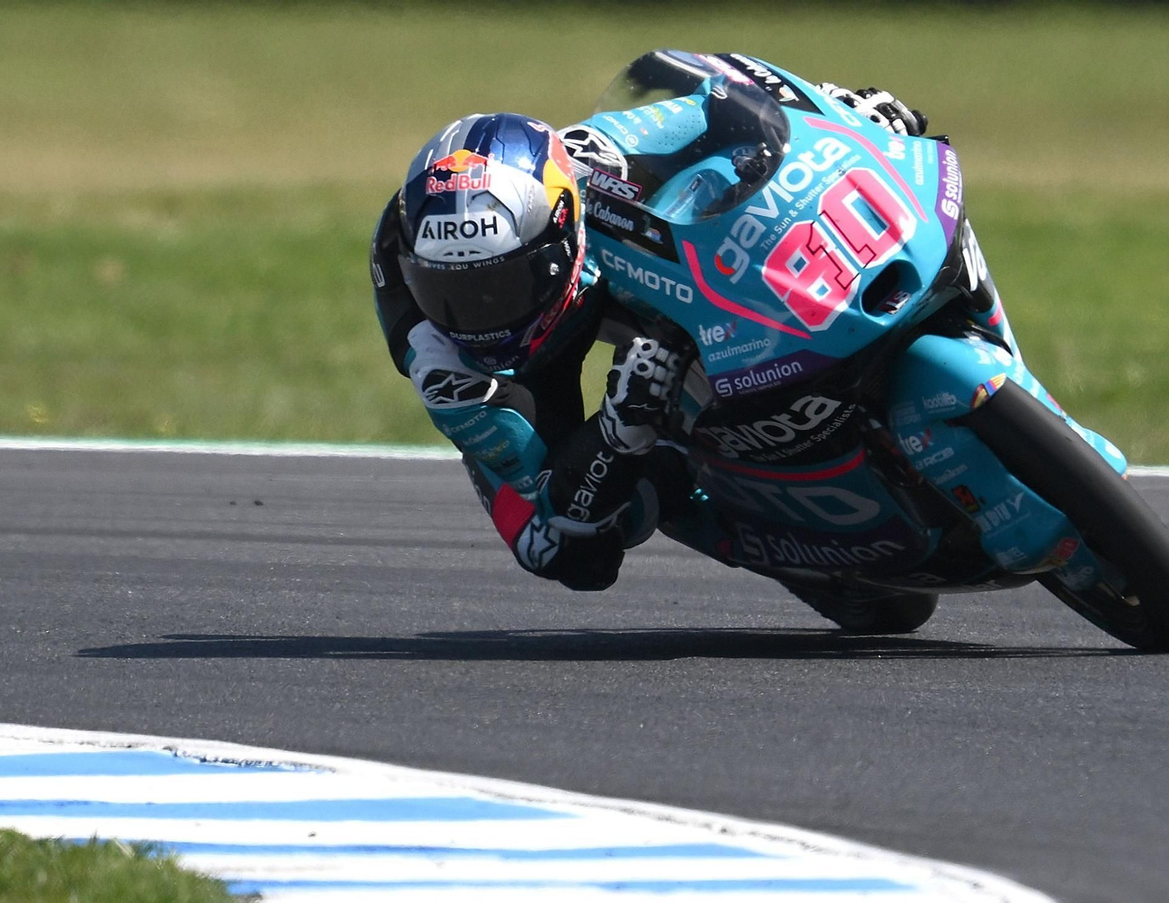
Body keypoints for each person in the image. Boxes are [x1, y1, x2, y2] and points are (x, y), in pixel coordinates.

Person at [369, 58, 926, 594]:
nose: (484, 314)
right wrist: (617, 430)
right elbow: (564, 543)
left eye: (502, 285)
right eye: (455, 294)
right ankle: (709, 488)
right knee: (560, 553)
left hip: (614, 279)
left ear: (559, 232)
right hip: (530, 374)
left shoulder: (591, 156)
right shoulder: (446, 359)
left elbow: (725, 98)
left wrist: (840, 111)